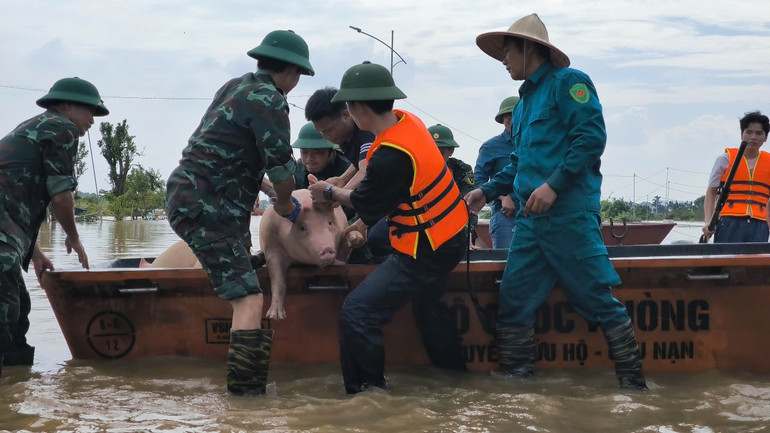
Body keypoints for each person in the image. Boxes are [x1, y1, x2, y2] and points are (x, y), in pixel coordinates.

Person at [466, 13, 647, 389]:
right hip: (530, 224)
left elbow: (591, 138)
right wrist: (487, 190)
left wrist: (554, 186)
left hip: (568, 216)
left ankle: (634, 386)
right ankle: (518, 389)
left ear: (529, 48)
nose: (503, 60)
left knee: (596, 297)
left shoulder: (569, 82)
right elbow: (520, 161)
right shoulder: (523, 104)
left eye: (507, 51)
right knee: (513, 301)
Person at [165, 29, 313, 395]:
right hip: (208, 206)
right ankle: (246, 403)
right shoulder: (271, 99)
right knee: (249, 299)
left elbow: (230, 156)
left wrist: (269, 192)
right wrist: (284, 203)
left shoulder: (235, 86)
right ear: (293, 73)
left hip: (197, 198)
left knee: (244, 274)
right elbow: (280, 171)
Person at [308, 61, 469, 394]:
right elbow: (382, 187)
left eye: (350, 107)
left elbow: (366, 202)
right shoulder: (408, 124)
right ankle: (457, 381)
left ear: (357, 109)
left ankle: (370, 395)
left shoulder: (390, 155)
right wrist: (343, 185)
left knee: (358, 311)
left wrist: (329, 191)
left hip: (425, 248)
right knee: (428, 306)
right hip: (451, 234)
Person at [0, 77, 106, 374]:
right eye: (90, 112)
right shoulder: (62, 128)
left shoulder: (33, 127)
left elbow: (12, 199)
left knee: (17, 311)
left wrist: (35, 252)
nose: (92, 122)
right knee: (6, 319)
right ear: (68, 105)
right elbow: (61, 195)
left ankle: (14, 400)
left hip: (10, 237)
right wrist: (74, 237)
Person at [703, 111, 770, 243]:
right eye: (749, 132)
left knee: (756, 263)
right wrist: (708, 221)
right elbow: (711, 192)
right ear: (742, 134)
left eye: (758, 133)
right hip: (729, 222)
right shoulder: (725, 159)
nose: (753, 137)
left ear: (765, 137)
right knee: (726, 262)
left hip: (760, 224)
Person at [304, 86, 375, 190]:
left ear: (346, 115)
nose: (325, 137)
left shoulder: (366, 130)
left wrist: (335, 194)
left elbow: (366, 169)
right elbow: (362, 160)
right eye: (321, 132)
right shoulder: (344, 134)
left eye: (329, 130)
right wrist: (342, 179)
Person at [474, 96, 520, 249]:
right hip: (506, 215)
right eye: (508, 115)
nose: (513, 119)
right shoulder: (490, 147)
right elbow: (478, 182)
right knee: (505, 264)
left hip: (534, 213)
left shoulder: (534, 144)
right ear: (502, 119)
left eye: (517, 114)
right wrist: (502, 196)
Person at [427, 124, 478, 248]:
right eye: (431, 150)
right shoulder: (414, 170)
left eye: (441, 152)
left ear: (451, 151)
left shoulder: (462, 169)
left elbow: (467, 202)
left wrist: (466, 234)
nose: (436, 156)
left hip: (456, 221)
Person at [292, 122, 351, 190]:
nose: (309, 159)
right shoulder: (295, 171)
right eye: (304, 152)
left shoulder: (348, 170)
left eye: (318, 153)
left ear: (332, 152)